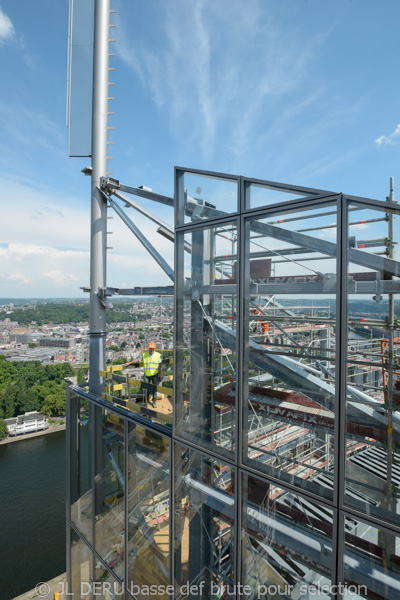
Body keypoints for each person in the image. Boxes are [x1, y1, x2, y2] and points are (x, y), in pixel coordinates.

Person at [142, 342, 162, 408]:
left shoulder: (157, 355)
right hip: (147, 374)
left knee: (154, 388)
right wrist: (130, 363)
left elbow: (159, 364)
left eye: (152, 349)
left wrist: (159, 373)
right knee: (146, 388)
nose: (151, 350)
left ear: (154, 349)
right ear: (149, 348)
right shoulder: (145, 354)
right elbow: (138, 359)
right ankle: (146, 401)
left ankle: (154, 401)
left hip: (155, 374)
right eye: (150, 349)